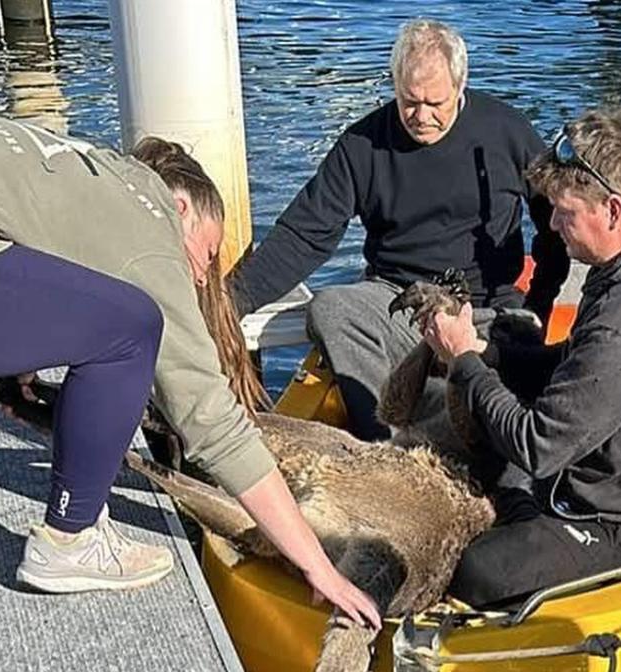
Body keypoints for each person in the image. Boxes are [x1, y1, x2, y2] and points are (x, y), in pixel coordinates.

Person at [0, 113, 380, 629]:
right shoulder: (150, 232)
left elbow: (21, 280)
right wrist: (320, 567)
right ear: (182, 205)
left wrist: (19, 361)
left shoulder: (88, 170)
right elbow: (211, 423)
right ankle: (69, 541)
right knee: (131, 328)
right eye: (208, 254)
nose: (203, 275)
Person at [421, 107, 621, 607]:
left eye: (565, 213)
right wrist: (489, 352)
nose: (551, 223)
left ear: (613, 210)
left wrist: (463, 361)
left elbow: (537, 446)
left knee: (482, 570)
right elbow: (577, 362)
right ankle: (528, 509)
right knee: (492, 446)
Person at [230, 18, 568, 440]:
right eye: (409, 101)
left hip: (486, 308)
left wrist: (540, 305)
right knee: (331, 309)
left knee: (520, 354)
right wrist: (228, 303)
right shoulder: (362, 145)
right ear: (394, 85)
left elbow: (556, 225)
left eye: (435, 104)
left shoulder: (507, 132)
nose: (421, 116)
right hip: (398, 303)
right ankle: (386, 437)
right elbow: (304, 235)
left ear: (460, 88)